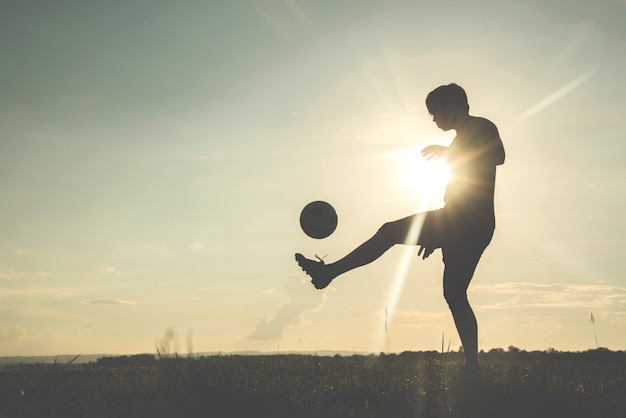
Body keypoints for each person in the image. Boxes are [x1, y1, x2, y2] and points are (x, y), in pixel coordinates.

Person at [295, 83, 505, 370]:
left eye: (435, 112)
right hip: (460, 222)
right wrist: (437, 233)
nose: (433, 118)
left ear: (454, 107)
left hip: (467, 223)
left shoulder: (481, 127)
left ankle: (328, 272)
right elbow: (462, 189)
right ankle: (473, 367)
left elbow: (497, 156)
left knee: (390, 232)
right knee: (454, 294)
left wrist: (448, 155)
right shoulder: (460, 139)